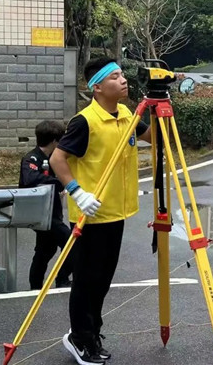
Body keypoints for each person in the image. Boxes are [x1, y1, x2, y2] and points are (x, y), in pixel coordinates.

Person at [50, 58, 151, 365]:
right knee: (86, 281)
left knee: (103, 280)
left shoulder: (127, 115)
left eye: (122, 75)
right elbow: (57, 159)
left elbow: (155, 138)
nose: (123, 80)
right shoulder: (85, 121)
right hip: (90, 216)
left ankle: (91, 333)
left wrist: (161, 108)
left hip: (116, 212)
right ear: (97, 87)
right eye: (115, 77)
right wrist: (77, 192)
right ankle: (79, 339)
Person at [18, 120, 73, 289]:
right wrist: (58, 181)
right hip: (42, 215)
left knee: (45, 250)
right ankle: (62, 279)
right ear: (55, 141)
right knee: (72, 244)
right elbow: (29, 179)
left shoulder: (54, 159)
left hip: (53, 212)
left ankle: (35, 286)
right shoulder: (32, 158)